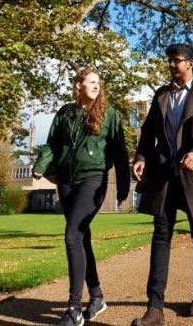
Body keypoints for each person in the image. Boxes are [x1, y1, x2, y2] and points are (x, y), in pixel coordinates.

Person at [131, 43, 193, 326]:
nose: (171, 64)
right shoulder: (161, 94)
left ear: (191, 64)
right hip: (163, 174)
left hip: (192, 172)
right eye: (169, 60)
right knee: (161, 235)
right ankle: (154, 307)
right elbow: (148, 131)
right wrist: (142, 156)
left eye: (177, 60)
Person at [33, 68, 130, 326]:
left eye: (99, 82)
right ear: (78, 85)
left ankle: (74, 308)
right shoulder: (65, 112)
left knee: (72, 234)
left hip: (93, 179)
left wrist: (123, 186)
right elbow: (52, 144)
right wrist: (41, 165)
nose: (96, 86)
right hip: (66, 181)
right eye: (91, 82)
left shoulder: (109, 114)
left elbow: (120, 152)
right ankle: (96, 296)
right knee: (82, 239)